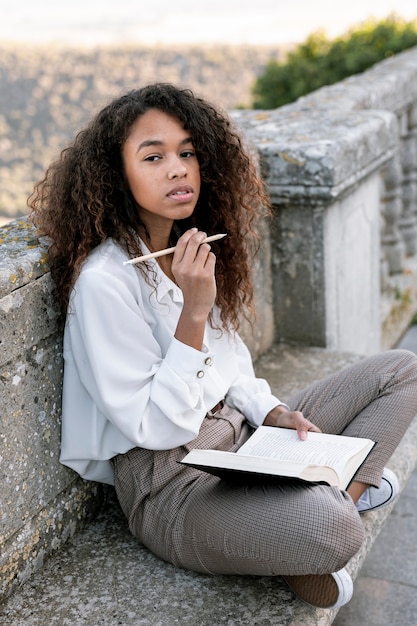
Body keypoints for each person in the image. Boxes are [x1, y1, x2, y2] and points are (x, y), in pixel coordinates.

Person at [29, 82, 417, 610]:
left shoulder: (185, 245)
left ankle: (318, 500)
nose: (177, 168)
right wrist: (192, 310)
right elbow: (158, 428)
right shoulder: (106, 282)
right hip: (172, 485)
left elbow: (232, 365)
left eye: (187, 152)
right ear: (115, 174)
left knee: (401, 370)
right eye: (154, 156)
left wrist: (274, 411)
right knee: (334, 527)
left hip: (241, 438)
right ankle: (331, 502)